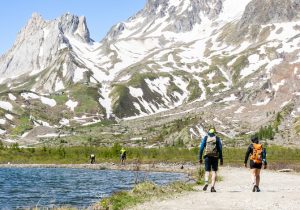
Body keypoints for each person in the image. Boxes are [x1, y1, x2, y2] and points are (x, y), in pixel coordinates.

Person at [199, 128, 223, 192]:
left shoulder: (206, 138)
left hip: (207, 157)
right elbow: (220, 149)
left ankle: (206, 182)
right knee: (214, 172)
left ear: (208, 132)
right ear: (214, 132)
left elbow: (201, 148)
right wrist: (221, 159)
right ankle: (212, 187)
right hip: (215, 157)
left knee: (207, 171)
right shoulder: (217, 138)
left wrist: (200, 158)